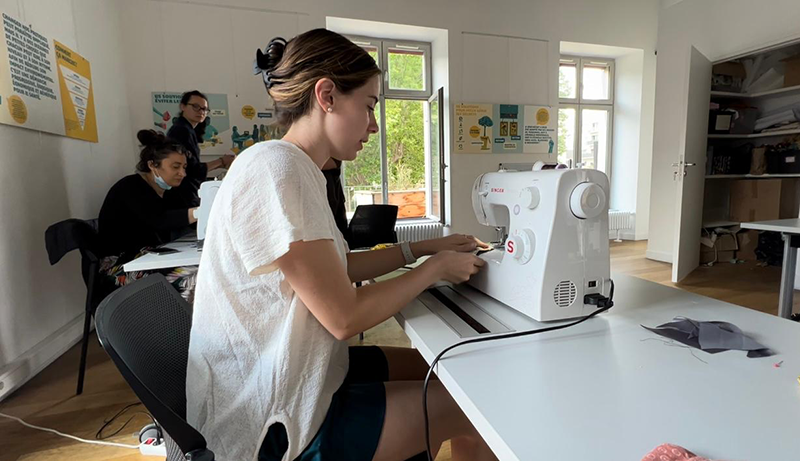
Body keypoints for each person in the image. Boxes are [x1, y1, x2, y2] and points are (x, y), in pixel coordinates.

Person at [186, 29, 496, 461]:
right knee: (478, 403)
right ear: (326, 95)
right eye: (368, 106)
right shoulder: (277, 169)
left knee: (453, 373)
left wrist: (425, 247)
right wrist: (434, 270)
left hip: (301, 372)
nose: (373, 124)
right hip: (270, 418)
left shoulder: (295, 168)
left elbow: (337, 269)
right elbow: (343, 317)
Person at [97, 130, 200, 300]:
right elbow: (160, 219)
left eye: (184, 167)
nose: (182, 173)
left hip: (150, 257)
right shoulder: (130, 187)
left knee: (207, 271)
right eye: (175, 167)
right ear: (153, 165)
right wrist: (200, 212)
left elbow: (190, 219)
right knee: (195, 282)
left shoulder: (170, 192)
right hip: (121, 266)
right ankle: (179, 325)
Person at [166, 90, 235, 207]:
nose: (201, 112)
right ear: (182, 106)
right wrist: (222, 161)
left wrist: (221, 163)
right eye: (196, 107)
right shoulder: (182, 130)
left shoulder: (187, 129)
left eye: (204, 109)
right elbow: (192, 169)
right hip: (182, 194)